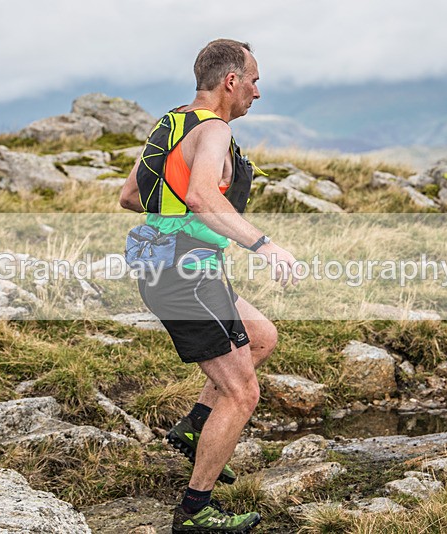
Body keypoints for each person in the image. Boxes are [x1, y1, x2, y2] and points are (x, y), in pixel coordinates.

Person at [119, 38, 299, 533]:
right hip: (184, 277)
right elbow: (200, 196)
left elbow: (131, 195)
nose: (258, 93)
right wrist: (263, 244)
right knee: (242, 393)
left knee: (261, 337)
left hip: (175, 268)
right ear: (231, 81)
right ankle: (195, 512)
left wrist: (175, 222)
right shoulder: (214, 128)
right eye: (255, 81)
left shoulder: (172, 121)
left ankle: (196, 425)